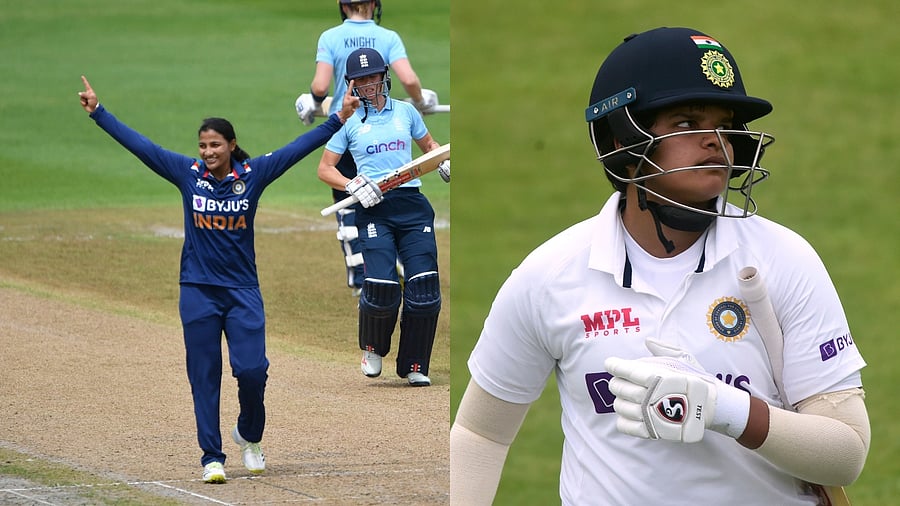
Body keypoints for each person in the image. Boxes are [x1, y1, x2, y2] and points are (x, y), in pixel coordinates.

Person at [450, 27, 869, 505]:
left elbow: (847, 452)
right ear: (623, 144)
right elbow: (482, 434)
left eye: (725, 124)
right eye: (687, 123)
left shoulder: (784, 258)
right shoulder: (550, 276)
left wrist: (722, 409)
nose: (715, 142)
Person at [77, 75, 358, 484]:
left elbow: (297, 149)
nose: (208, 152)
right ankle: (212, 456)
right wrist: (99, 113)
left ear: (230, 145)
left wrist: (339, 118)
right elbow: (143, 148)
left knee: (252, 372)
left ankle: (249, 434)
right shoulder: (187, 174)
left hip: (243, 292)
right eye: (203, 146)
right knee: (204, 375)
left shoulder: (254, 173)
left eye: (215, 145)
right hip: (197, 291)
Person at [317, 47, 448, 387]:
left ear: (384, 76)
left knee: (424, 288)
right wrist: (353, 184)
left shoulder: (405, 112)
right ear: (352, 84)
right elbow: (325, 169)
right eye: (361, 79)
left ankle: (415, 365)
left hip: (412, 204)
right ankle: (373, 349)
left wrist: (442, 160)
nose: (369, 84)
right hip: (374, 207)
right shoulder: (347, 124)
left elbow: (429, 146)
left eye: (374, 76)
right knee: (382, 285)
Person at [295, 0, 440, 297]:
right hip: (382, 122)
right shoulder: (388, 38)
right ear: (374, 4)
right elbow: (409, 80)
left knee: (351, 200)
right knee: (392, 195)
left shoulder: (330, 36)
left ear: (342, 5)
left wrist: (310, 101)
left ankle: (362, 275)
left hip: (345, 123)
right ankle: (394, 259)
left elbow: (321, 87)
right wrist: (421, 99)